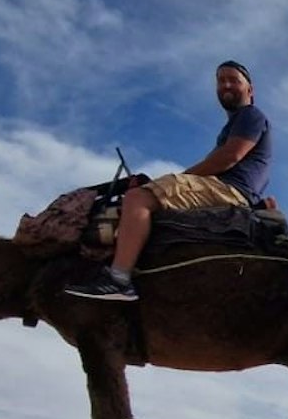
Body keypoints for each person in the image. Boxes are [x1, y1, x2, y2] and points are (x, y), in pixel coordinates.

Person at [66, 60, 272, 301]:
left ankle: (119, 278)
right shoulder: (235, 124)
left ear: (250, 90)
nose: (225, 84)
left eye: (233, 80)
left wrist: (182, 178)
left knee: (139, 198)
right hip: (233, 190)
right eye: (220, 80)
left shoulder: (251, 115)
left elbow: (229, 157)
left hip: (229, 190)